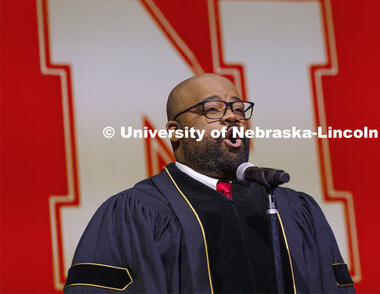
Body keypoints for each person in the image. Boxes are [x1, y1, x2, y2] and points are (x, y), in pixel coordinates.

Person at [64, 73, 355, 293]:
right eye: (212, 110)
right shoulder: (135, 213)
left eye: (238, 108)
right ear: (175, 132)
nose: (232, 117)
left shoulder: (293, 208)